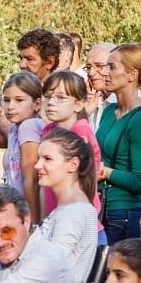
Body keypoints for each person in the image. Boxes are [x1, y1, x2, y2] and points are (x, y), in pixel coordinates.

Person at [96, 44, 141, 247]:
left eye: (112, 67)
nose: (104, 73)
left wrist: (106, 172)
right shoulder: (108, 111)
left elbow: (140, 181)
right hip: (100, 209)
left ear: (132, 75)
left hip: (123, 215)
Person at [39, 71, 105, 240]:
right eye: (48, 97)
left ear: (78, 104)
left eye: (60, 98)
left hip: (77, 226)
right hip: (54, 218)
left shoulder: (81, 132)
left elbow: (88, 178)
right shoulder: (48, 130)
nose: (51, 103)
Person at [34, 129, 99, 283]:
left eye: (47, 159)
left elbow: (48, 269)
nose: (37, 165)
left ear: (73, 164)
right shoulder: (65, 209)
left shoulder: (74, 213)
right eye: (39, 158)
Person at [1, 71, 44, 222]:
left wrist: (33, 222)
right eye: (7, 100)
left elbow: (30, 180)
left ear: (37, 104)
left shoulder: (30, 126)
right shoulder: (14, 128)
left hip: (27, 214)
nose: (10, 106)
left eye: (19, 100)